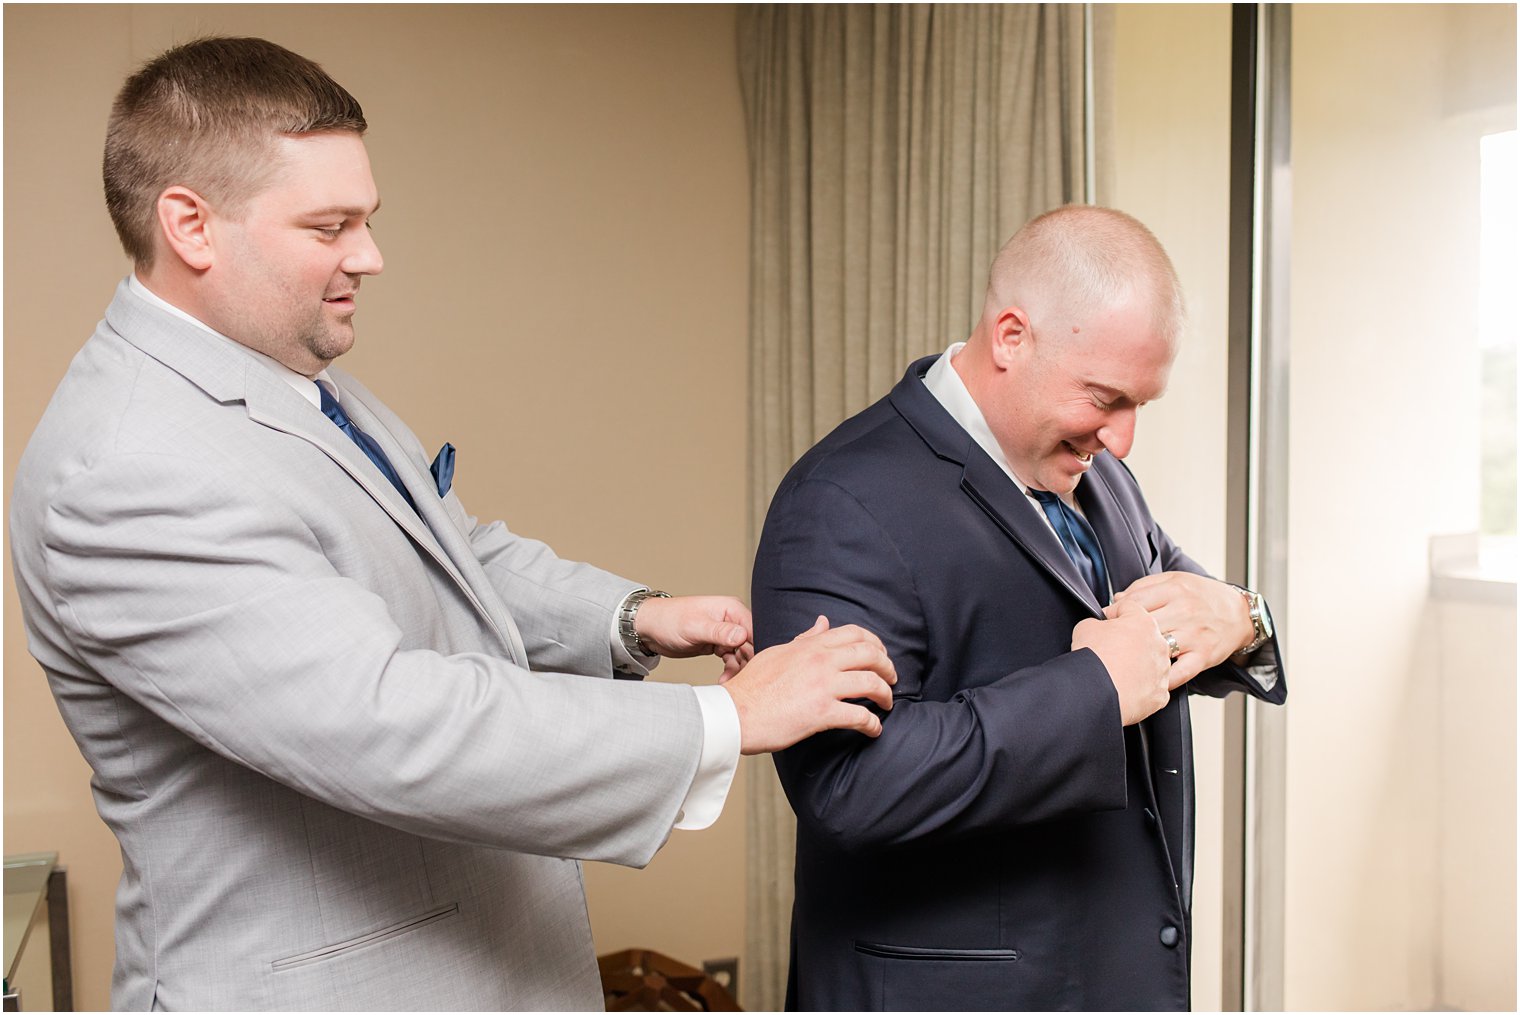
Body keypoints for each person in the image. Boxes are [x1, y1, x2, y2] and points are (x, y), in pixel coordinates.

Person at [9, 37, 897, 1011]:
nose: (369, 256)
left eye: (367, 220)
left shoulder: (295, 377)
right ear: (190, 224)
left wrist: (631, 618)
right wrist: (724, 718)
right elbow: (390, 722)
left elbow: (447, 549)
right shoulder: (126, 467)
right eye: (329, 225)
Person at [752, 205, 1286, 1011]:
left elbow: (1180, 602)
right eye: (1107, 397)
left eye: (1141, 403)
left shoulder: (1091, 465)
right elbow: (851, 790)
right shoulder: (839, 501)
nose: (1125, 439)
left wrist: (1243, 617)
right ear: (1011, 337)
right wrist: (1093, 691)